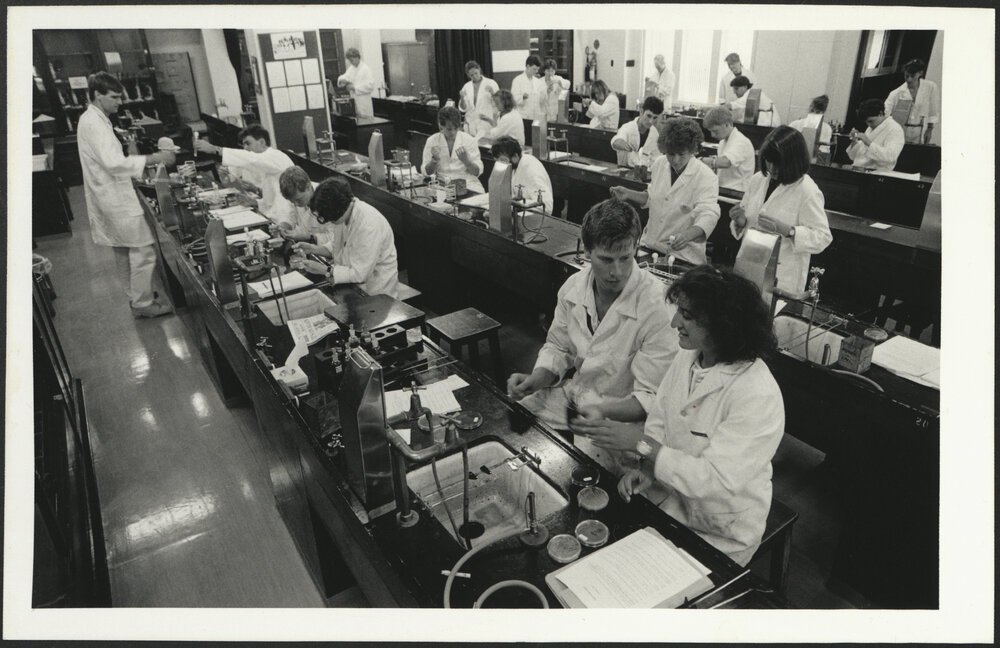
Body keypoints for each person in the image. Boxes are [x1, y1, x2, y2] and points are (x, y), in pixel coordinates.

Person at [607, 265, 784, 566]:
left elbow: (714, 480)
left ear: (723, 325)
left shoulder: (756, 394)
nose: (674, 321)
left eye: (686, 316)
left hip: (723, 530)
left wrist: (642, 446)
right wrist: (649, 471)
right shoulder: (688, 357)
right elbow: (661, 417)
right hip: (675, 503)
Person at [507, 199, 678, 471]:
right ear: (587, 252)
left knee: (600, 481)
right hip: (577, 397)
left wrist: (602, 411)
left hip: (624, 418)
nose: (617, 271)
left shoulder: (658, 307)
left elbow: (651, 396)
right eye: (606, 259)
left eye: (626, 258)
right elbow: (558, 347)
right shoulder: (573, 288)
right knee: (513, 429)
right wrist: (535, 379)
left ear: (636, 248)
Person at [77, 71, 176, 318]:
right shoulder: (93, 123)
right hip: (114, 199)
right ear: (97, 96)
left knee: (123, 250)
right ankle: (143, 304)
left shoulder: (96, 119)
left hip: (108, 195)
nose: (120, 102)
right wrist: (155, 158)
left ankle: (136, 297)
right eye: (114, 97)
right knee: (143, 250)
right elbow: (113, 163)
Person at [729, 126, 832, 292]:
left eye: (778, 163)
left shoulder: (807, 190)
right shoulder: (758, 180)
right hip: (749, 264)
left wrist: (790, 231)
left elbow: (823, 237)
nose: (772, 168)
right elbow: (750, 220)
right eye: (768, 161)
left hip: (783, 274)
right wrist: (741, 221)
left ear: (794, 161)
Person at [611, 118, 720, 266]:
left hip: (683, 255)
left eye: (682, 155)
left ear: (693, 150)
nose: (675, 160)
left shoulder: (706, 176)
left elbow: (709, 214)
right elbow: (652, 197)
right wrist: (629, 194)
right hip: (650, 246)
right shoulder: (659, 164)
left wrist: (687, 236)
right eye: (670, 154)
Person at [289, 177, 400, 298]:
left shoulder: (368, 225)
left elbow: (359, 274)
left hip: (375, 294)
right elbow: (337, 246)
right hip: (351, 287)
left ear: (336, 211)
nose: (329, 222)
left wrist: (325, 270)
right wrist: (313, 249)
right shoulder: (345, 213)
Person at [194, 124, 294, 219]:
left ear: (262, 142)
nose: (245, 148)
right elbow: (270, 200)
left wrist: (214, 149)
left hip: (286, 217)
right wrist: (255, 202)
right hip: (273, 212)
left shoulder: (275, 156)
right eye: (243, 145)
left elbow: (282, 205)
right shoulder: (259, 161)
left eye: (248, 143)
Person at [422, 105, 485, 193]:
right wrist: (434, 160)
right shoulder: (432, 141)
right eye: (449, 129)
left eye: (457, 128)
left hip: (468, 184)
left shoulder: (469, 140)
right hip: (442, 185)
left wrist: (467, 161)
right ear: (441, 126)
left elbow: (477, 172)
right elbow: (426, 172)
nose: (453, 132)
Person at [271, 166, 336, 246]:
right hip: (308, 248)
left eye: (298, 200)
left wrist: (309, 237)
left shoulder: (329, 199)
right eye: (292, 201)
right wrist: (283, 227)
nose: (296, 204)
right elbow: (289, 214)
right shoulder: (296, 195)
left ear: (308, 186)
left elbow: (336, 238)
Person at [490, 135, 554, 215]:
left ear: (515, 156)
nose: (501, 165)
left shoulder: (531, 170)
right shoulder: (515, 165)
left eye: (503, 160)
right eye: (497, 161)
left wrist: (514, 207)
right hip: (521, 212)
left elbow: (547, 207)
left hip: (534, 218)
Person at [883, 58, 940, 145]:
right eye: (906, 76)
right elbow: (885, 112)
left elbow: (933, 111)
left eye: (912, 76)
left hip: (920, 131)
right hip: (901, 132)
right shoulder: (896, 93)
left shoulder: (931, 87)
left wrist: (930, 129)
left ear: (920, 73)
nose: (909, 79)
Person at [702, 106, 756, 191]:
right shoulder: (722, 142)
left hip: (736, 193)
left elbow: (726, 162)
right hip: (724, 189)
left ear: (727, 124)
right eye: (710, 131)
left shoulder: (741, 141)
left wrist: (701, 161)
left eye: (715, 131)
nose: (712, 135)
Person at [846, 98, 905, 171]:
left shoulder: (895, 129)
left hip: (878, 173)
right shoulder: (871, 127)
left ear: (880, 113)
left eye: (871, 121)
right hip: (860, 170)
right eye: (866, 122)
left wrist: (868, 142)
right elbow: (854, 157)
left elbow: (890, 156)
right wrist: (854, 141)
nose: (868, 125)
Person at [610, 95, 664, 167]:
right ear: (641, 111)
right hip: (625, 171)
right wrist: (626, 146)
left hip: (645, 173)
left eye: (655, 118)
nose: (651, 121)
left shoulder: (654, 133)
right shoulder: (627, 127)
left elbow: (657, 157)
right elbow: (616, 141)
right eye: (648, 116)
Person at [458, 60, 499, 138]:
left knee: (484, 147)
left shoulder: (491, 83)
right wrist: (462, 98)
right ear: (468, 75)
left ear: (479, 70)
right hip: (471, 123)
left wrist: (493, 93)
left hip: (486, 122)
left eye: (476, 73)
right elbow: (463, 108)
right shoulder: (467, 86)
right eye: (471, 75)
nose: (474, 76)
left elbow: (499, 104)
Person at [788, 94, 833, 159]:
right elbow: (825, 150)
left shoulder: (795, 124)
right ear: (824, 111)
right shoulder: (827, 128)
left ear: (810, 107)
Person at [337, 47, 376, 119]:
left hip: (364, 102)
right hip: (355, 101)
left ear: (357, 57)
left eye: (352, 60)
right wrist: (342, 80)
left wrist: (354, 88)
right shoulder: (352, 68)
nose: (351, 62)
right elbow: (345, 77)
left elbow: (370, 86)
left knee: (366, 123)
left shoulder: (365, 69)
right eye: (349, 61)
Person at [510, 55, 546, 120]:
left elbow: (541, 101)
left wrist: (546, 92)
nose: (536, 71)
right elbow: (513, 100)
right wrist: (522, 97)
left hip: (536, 116)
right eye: (534, 69)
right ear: (528, 66)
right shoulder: (517, 80)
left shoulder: (538, 82)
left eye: (538, 69)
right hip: (523, 116)